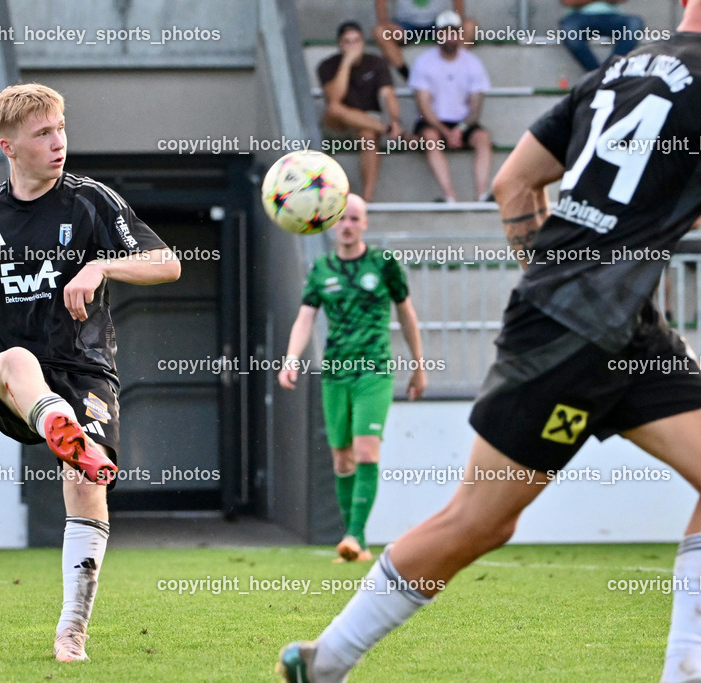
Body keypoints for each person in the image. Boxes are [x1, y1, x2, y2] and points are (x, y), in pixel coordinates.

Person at [278, 1, 701, 680]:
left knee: (480, 518)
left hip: (605, 325)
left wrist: (556, 284)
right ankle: (326, 659)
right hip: (581, 331)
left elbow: (512, 182)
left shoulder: (612, 73)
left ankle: (686, 666)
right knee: (478, 521)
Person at [0, 83, 180, 662]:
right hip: (14, 384)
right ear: (8, 145)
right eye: (43, 133)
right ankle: (56, 423)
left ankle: (72, 631)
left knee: (86, 484)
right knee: (16, 359)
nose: (58, 142)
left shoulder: (91, 200)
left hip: (87, 371)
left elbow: (166, 263)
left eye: (61, 128)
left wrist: (101, 264)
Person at [279, 194, 425, 563]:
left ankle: (354, 535)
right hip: (335, 372)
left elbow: (406, 315)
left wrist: (419, 364)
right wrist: (291, 358)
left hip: (374, 369)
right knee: (342, 459)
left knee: (364, 451)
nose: (347, 225)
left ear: (365, 224)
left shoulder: (383, 263)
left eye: (355, 219)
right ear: (331, 224)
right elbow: (305, 317)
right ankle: (353, 543)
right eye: (341, 219)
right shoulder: (321, 268)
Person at [409, 10, 493, 202]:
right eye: (444, 33)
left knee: (483, 138)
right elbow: (423, 106)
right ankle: (450, 197)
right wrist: (446, 132)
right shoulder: (424, 63)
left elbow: (475, 109)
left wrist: (459, 129)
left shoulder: (473, 63)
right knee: (430, 138)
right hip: (433, 122)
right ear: (437, 34)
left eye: (453, 32)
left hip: (462, 122)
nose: (449, 37)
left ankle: (481, 195)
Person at [317, 22, 403, 203]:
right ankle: (384, 129)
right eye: (347, 42)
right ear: (340, 45)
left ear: (363, 42)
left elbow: (388, 95)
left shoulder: (376, 63)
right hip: (339, 123)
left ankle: (367, 198)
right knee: (334, 109)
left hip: (366, 120)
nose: (352, 46)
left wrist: (394, 118)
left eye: (356, 41)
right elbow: (334, 99)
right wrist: (346, 63)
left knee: (368, 136)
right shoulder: (327, 66)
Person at [374, 0, 477, 80]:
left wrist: (455, 23)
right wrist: (385, 22)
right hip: (404, 25)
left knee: (469, 26)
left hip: (439, 23)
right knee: (379, 31)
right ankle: (408, 76)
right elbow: (380, 2)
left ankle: (455, 68)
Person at [559, 0, 646, 72]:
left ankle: (611, 68)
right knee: (568, 29)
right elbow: (568, 2)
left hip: (612, 17)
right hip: (579, 17)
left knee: (635, 23)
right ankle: (598, 73)